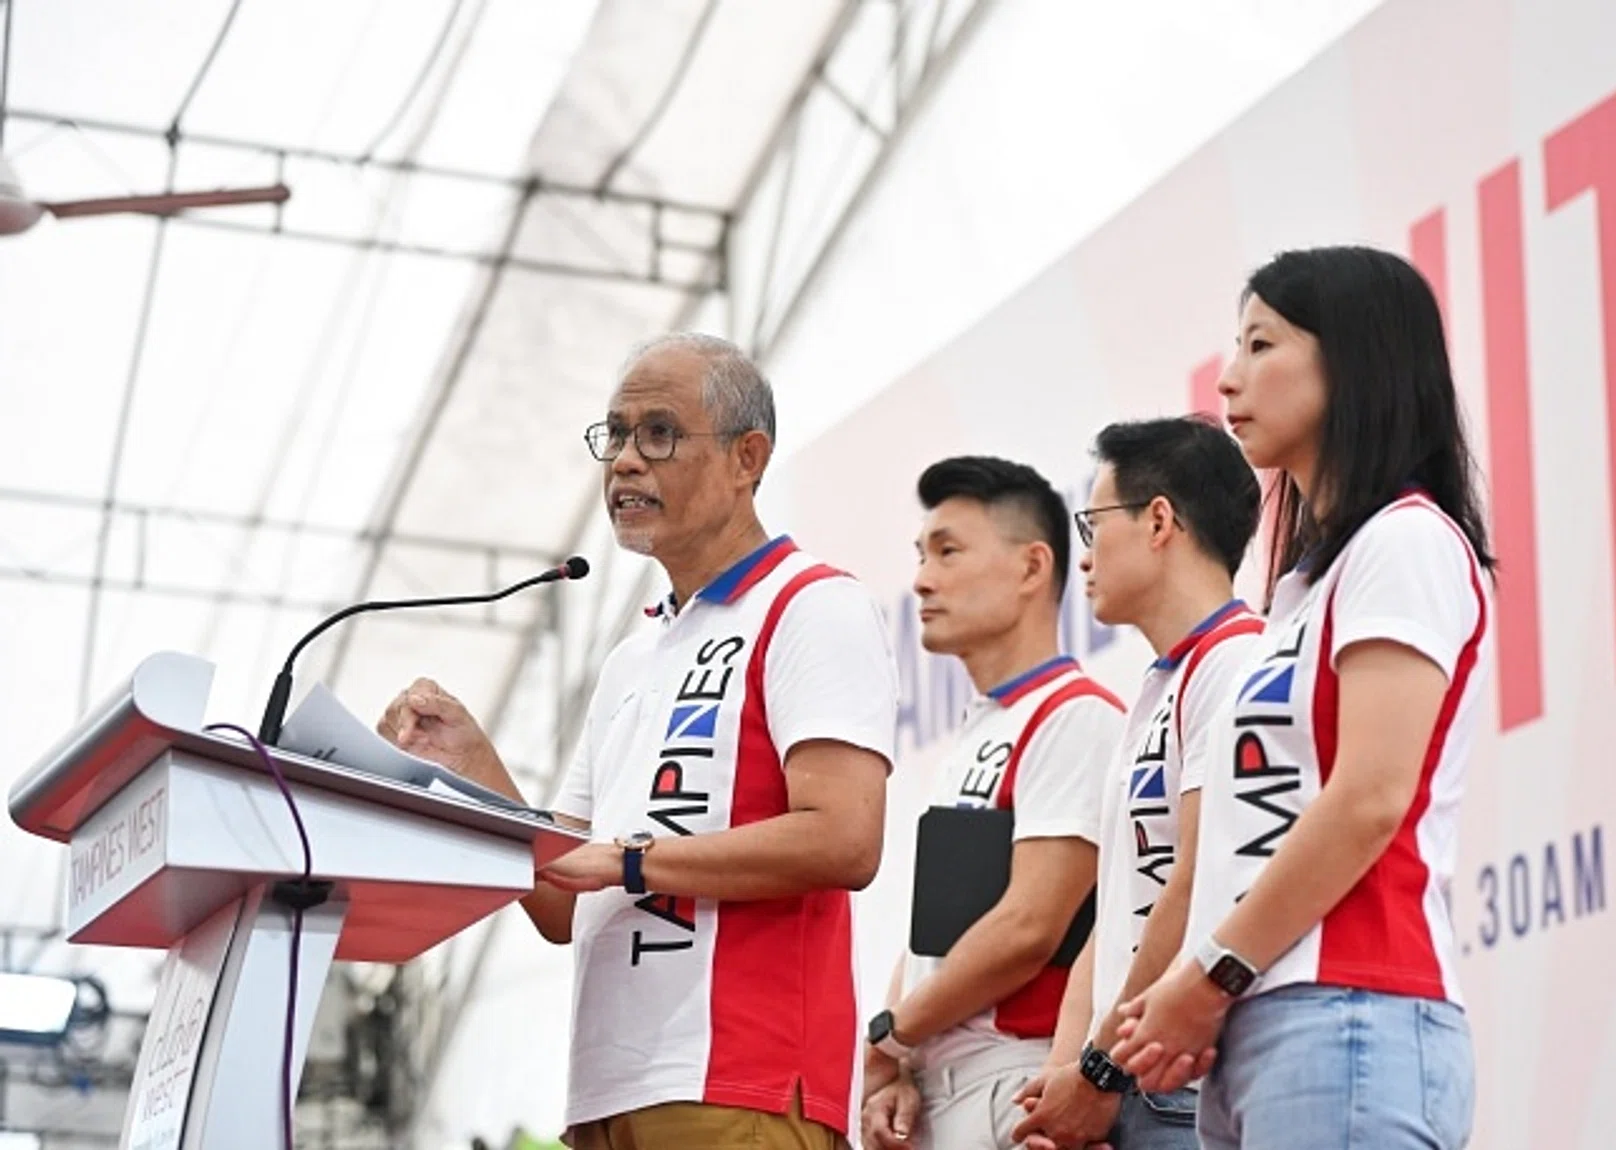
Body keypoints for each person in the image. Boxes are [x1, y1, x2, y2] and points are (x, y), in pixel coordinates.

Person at [377, 333, 898, 1150]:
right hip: (605, 1092)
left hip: (741, 1082)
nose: (624, 461)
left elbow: (845, 837)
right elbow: (560, 902)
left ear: (746, 458)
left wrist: (633, 860)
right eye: (614, 435)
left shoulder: (810, 607)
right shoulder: (632, 656)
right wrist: (471, 770)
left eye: (658, 434)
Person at [1110, 246, 1496, 1150]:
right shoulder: (1296, 594)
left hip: (1355, 1012)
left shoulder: (1406, 543)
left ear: (1352, 361)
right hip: (1261, 1024)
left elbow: (1368, 799)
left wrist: (1206, 977)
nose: (1230, 378)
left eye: (1261, 345)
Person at [1010, 416, 1263, 1150]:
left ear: (1159, 521)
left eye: (1093, 525)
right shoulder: (1158, 687)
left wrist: (1098, 1073)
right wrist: (1067, 1077)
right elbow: (1115, 916)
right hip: (1126, 1085)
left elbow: (1193, 887)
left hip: (1177, 1087)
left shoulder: (1238, 665)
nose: (1081, 559)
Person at [860, 456, 1125, 1150]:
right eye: (921, 554)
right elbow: (933, 941)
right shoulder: (979, 732)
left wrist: (892, 1037)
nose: (921, 579)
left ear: (1033, 568)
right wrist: (896, 1067)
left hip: (1015, 1079)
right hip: (939, 1092)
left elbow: (1028, 929)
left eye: (948, 552)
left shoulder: (1078, 716)